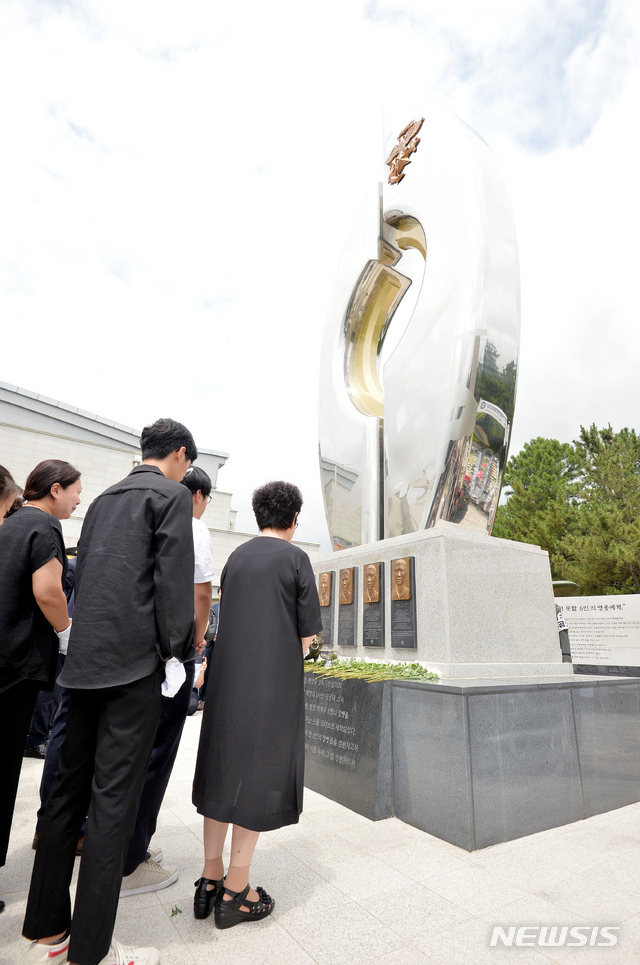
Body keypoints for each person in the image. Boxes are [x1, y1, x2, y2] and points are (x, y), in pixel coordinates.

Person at [22, 418, 197, 965]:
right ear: (181, 455)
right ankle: (90, 951)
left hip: (82, 667)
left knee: (66, 797)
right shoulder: (171, 496)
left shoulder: (99, 501)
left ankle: (46, 927)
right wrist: (177, 653)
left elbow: (87, 577)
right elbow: (172, 585)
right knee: (112, 806)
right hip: (131, 669)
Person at [192, 480, 322, 928]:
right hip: (272, 686)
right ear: (293, 518)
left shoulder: (237, 559)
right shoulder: (296, 559)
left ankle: (209, 878)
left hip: (227, 683)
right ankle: (236, 890)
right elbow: (308, 638)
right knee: (257, 774)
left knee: (223, 768)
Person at [120, 465, 215, 897]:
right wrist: (197, 644)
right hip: (169, 658)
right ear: (198, 496)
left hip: (125, 656)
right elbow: (200, 592)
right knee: (155, 757)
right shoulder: (192, 524)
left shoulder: (126, 508)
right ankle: (131, 858)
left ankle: (115, 845)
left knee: (123, 757)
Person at [0, 460, 82, 915]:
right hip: (15, 670)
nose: (78, 498)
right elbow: (48, 590)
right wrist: (67, 633)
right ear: (54, 489)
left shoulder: (10, 525)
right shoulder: (44, 526)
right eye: (75, 490)